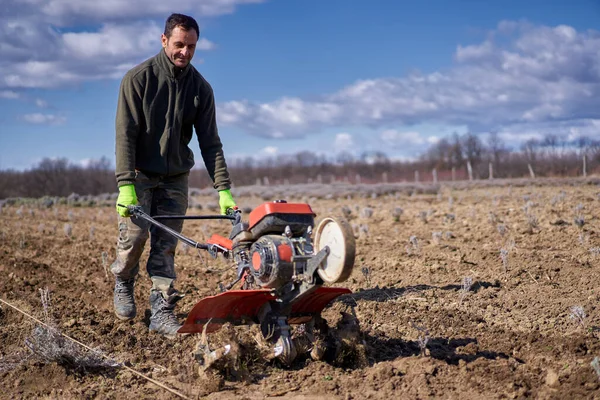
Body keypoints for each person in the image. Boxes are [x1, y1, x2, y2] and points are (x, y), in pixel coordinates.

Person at [111, 13, 236, 338]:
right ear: (164, 40)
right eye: (179, 44)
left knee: (166, 246)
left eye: (191, 46)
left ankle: (161, 310)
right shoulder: (138, 79)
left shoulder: (200, 88)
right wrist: (125, 185)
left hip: (176, 177)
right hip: (140, 174)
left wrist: (223, 189)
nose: (185, 52)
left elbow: (210, 142)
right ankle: (123, 279)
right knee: (135, 239)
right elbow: (125, 135)